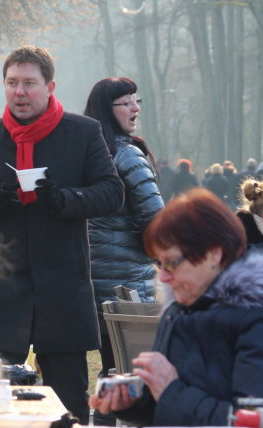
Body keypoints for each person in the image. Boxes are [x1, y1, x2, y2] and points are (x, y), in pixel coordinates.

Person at [0, 45, 124, 419]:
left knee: (68, 405)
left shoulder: (83, 132)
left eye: (29, 83)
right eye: (12, 83)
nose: (19, 92)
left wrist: (64, 199)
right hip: (3, 290)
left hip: (62, 288)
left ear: (50, 87)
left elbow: (112, 193)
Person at [89, 189, 263, 427]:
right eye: (160, 264)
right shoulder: (183, 308)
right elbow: (178, 407)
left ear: (214, 254)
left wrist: (171, 392)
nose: (163, 278)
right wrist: (135, 403)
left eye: (172, 263)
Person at [82, 76, 164, 378]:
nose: (135, 108)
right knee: (133, 377)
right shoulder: (127, 155)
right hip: (128, 287)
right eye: (126, 102)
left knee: (110, 372)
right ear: (107, 109)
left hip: (91, 286)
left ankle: (100, 423)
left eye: (136, 101)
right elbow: (157, 224)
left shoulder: (85, 153)